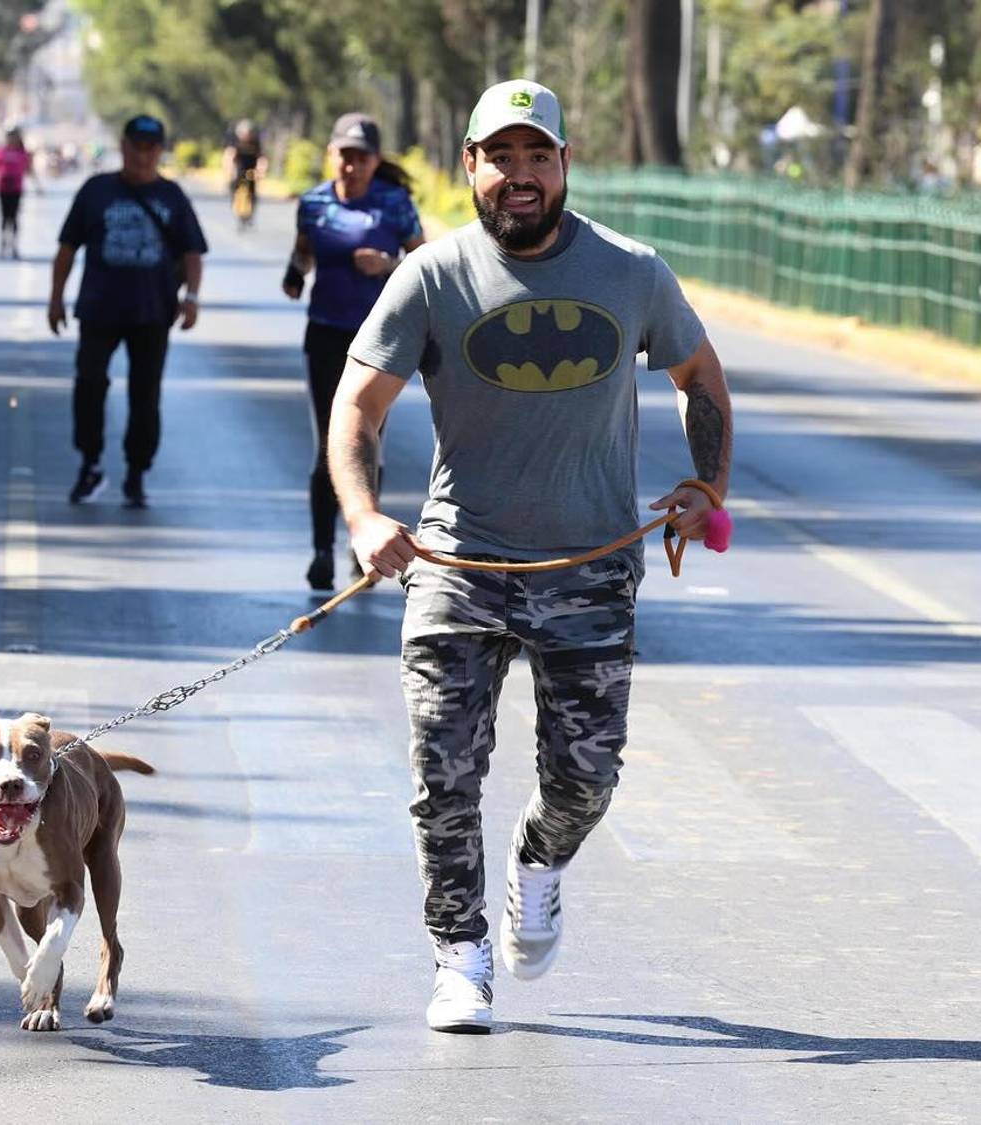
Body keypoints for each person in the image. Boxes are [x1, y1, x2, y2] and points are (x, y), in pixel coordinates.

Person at [327, 80, 734, 1033]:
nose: (520, 176)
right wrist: (361, 517)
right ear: (468, 164)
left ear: (563, 164)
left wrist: (706, 485)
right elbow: (359, 407)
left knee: (587, 778)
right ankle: (459, 958)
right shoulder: (430, 279)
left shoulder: (631, 273)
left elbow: (700, 377)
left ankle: (538, 866)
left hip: (591, 566)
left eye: (537, 157)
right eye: (500, 158)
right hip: (460, 564)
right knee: (443, 774)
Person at [282, 113, 423, 591]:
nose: (352, 165)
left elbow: (424, 263)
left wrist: (387, 264)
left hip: (382, 342)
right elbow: (303, 251)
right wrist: (296, 273)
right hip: (325, 334)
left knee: (367, 441)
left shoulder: (394, 205)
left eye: (362, 157)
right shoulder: (315, 203)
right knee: (329, 441)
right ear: (332, 154)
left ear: (375, 160)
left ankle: (361, 543)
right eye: (345, 154)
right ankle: (322, 549)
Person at [48, 114, 206, 507]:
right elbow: (67, 248)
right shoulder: (96, 191)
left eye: (152, 147)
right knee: (89, 383)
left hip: (152, 311)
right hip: (99, 308)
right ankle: (90, 462)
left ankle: (136, 472)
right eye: (137, 145)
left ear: (160, 151)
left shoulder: (172, 196)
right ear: (123, 147)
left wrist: (192, 299)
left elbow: (192, 252)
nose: (143, 154)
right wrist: (55, 298)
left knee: (145, 394)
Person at [0, 128, 34, 259]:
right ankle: (3, 243)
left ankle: (14, 245)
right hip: (2, 189)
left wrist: (38, 186)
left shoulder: (22, 154)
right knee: (4, 218)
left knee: (14, 217)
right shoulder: (0, 152)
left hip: (16, 189)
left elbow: (29, 169)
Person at [222, 119, 267, 228]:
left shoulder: (255, 142)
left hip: (251, 170)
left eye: (248, 133)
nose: (245, 135)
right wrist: (230, 171)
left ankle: (251, 213)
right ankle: (238, 210)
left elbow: (262, 158)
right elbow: (229, 156)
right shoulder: (235, 142)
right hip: (239, 170)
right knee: (235, 188)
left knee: (252, 192)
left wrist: (261, 171)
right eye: (243, 133)